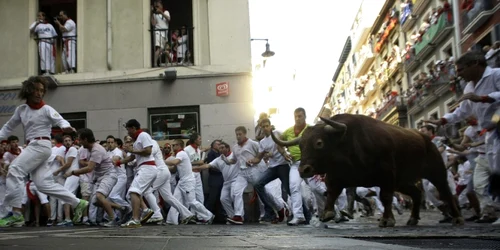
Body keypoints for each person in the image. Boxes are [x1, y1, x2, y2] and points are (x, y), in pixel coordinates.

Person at [0, 76, 88, 227]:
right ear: (28, 90)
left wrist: (66, 127)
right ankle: (77, 202)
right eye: (36, 90)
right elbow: (8, 127)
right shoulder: (21, 110)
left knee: (14, 170)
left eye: (42, 91)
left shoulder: (46, 109)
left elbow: (60, 121)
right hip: (34, 146)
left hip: (41, 145)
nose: (39, 93)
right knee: (42, 184)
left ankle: (15, 213)